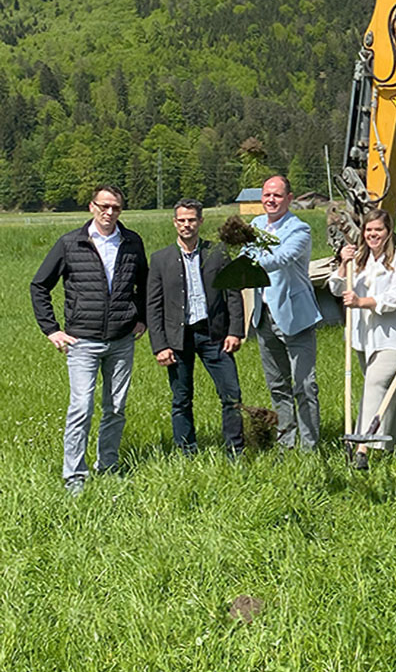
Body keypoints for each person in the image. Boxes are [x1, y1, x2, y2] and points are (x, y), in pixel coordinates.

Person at [30, 184, 148, 494]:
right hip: (82, 341)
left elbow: (146, 285)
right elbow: (39, 285)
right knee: (81, 407)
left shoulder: (132, 242)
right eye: (104, 206)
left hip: (122, 341)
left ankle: (107, 467)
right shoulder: (71, 243)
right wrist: (51, 329)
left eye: (116, 208)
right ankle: (75, 477)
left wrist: (142, 318)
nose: (109, 212)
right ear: (91, 206)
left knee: (116, 407)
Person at [146, 199, 246, 458]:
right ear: (174, 222)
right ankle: (186, 452)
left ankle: (235, 451)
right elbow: (153, 306)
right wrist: (160, 345)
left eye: (191, 220)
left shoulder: (218, 252)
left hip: (215, 335)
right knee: (181, 398)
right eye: (181, 220)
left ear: (200, 222)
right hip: (178, 338)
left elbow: (233, 293)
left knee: (231, 395)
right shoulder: (160, 259)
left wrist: (235, 330)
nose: (186, 225)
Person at [329, 208, 396, 469]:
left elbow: (394, 299)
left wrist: (361, 302)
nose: (372, 235)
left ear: (388, 232)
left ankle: (362, 448)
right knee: (393, 390)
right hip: (364, 339)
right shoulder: (358, 259)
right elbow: (337, 288)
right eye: (368, 230)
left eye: (378, 230)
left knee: (376, 384)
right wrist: (342, 264)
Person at [249, 175, 322, 450]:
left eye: (277, 195)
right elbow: (244, 250)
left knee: (304, 386)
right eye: (267, 195)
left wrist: (247, 265)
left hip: (295, 316)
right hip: (264, 315)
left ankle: (309, 447)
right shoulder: (255, 225)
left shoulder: (299, 230)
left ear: (289, 199)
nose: (271, 200)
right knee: (277, 385)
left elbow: (281, 259)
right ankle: (285, 443)